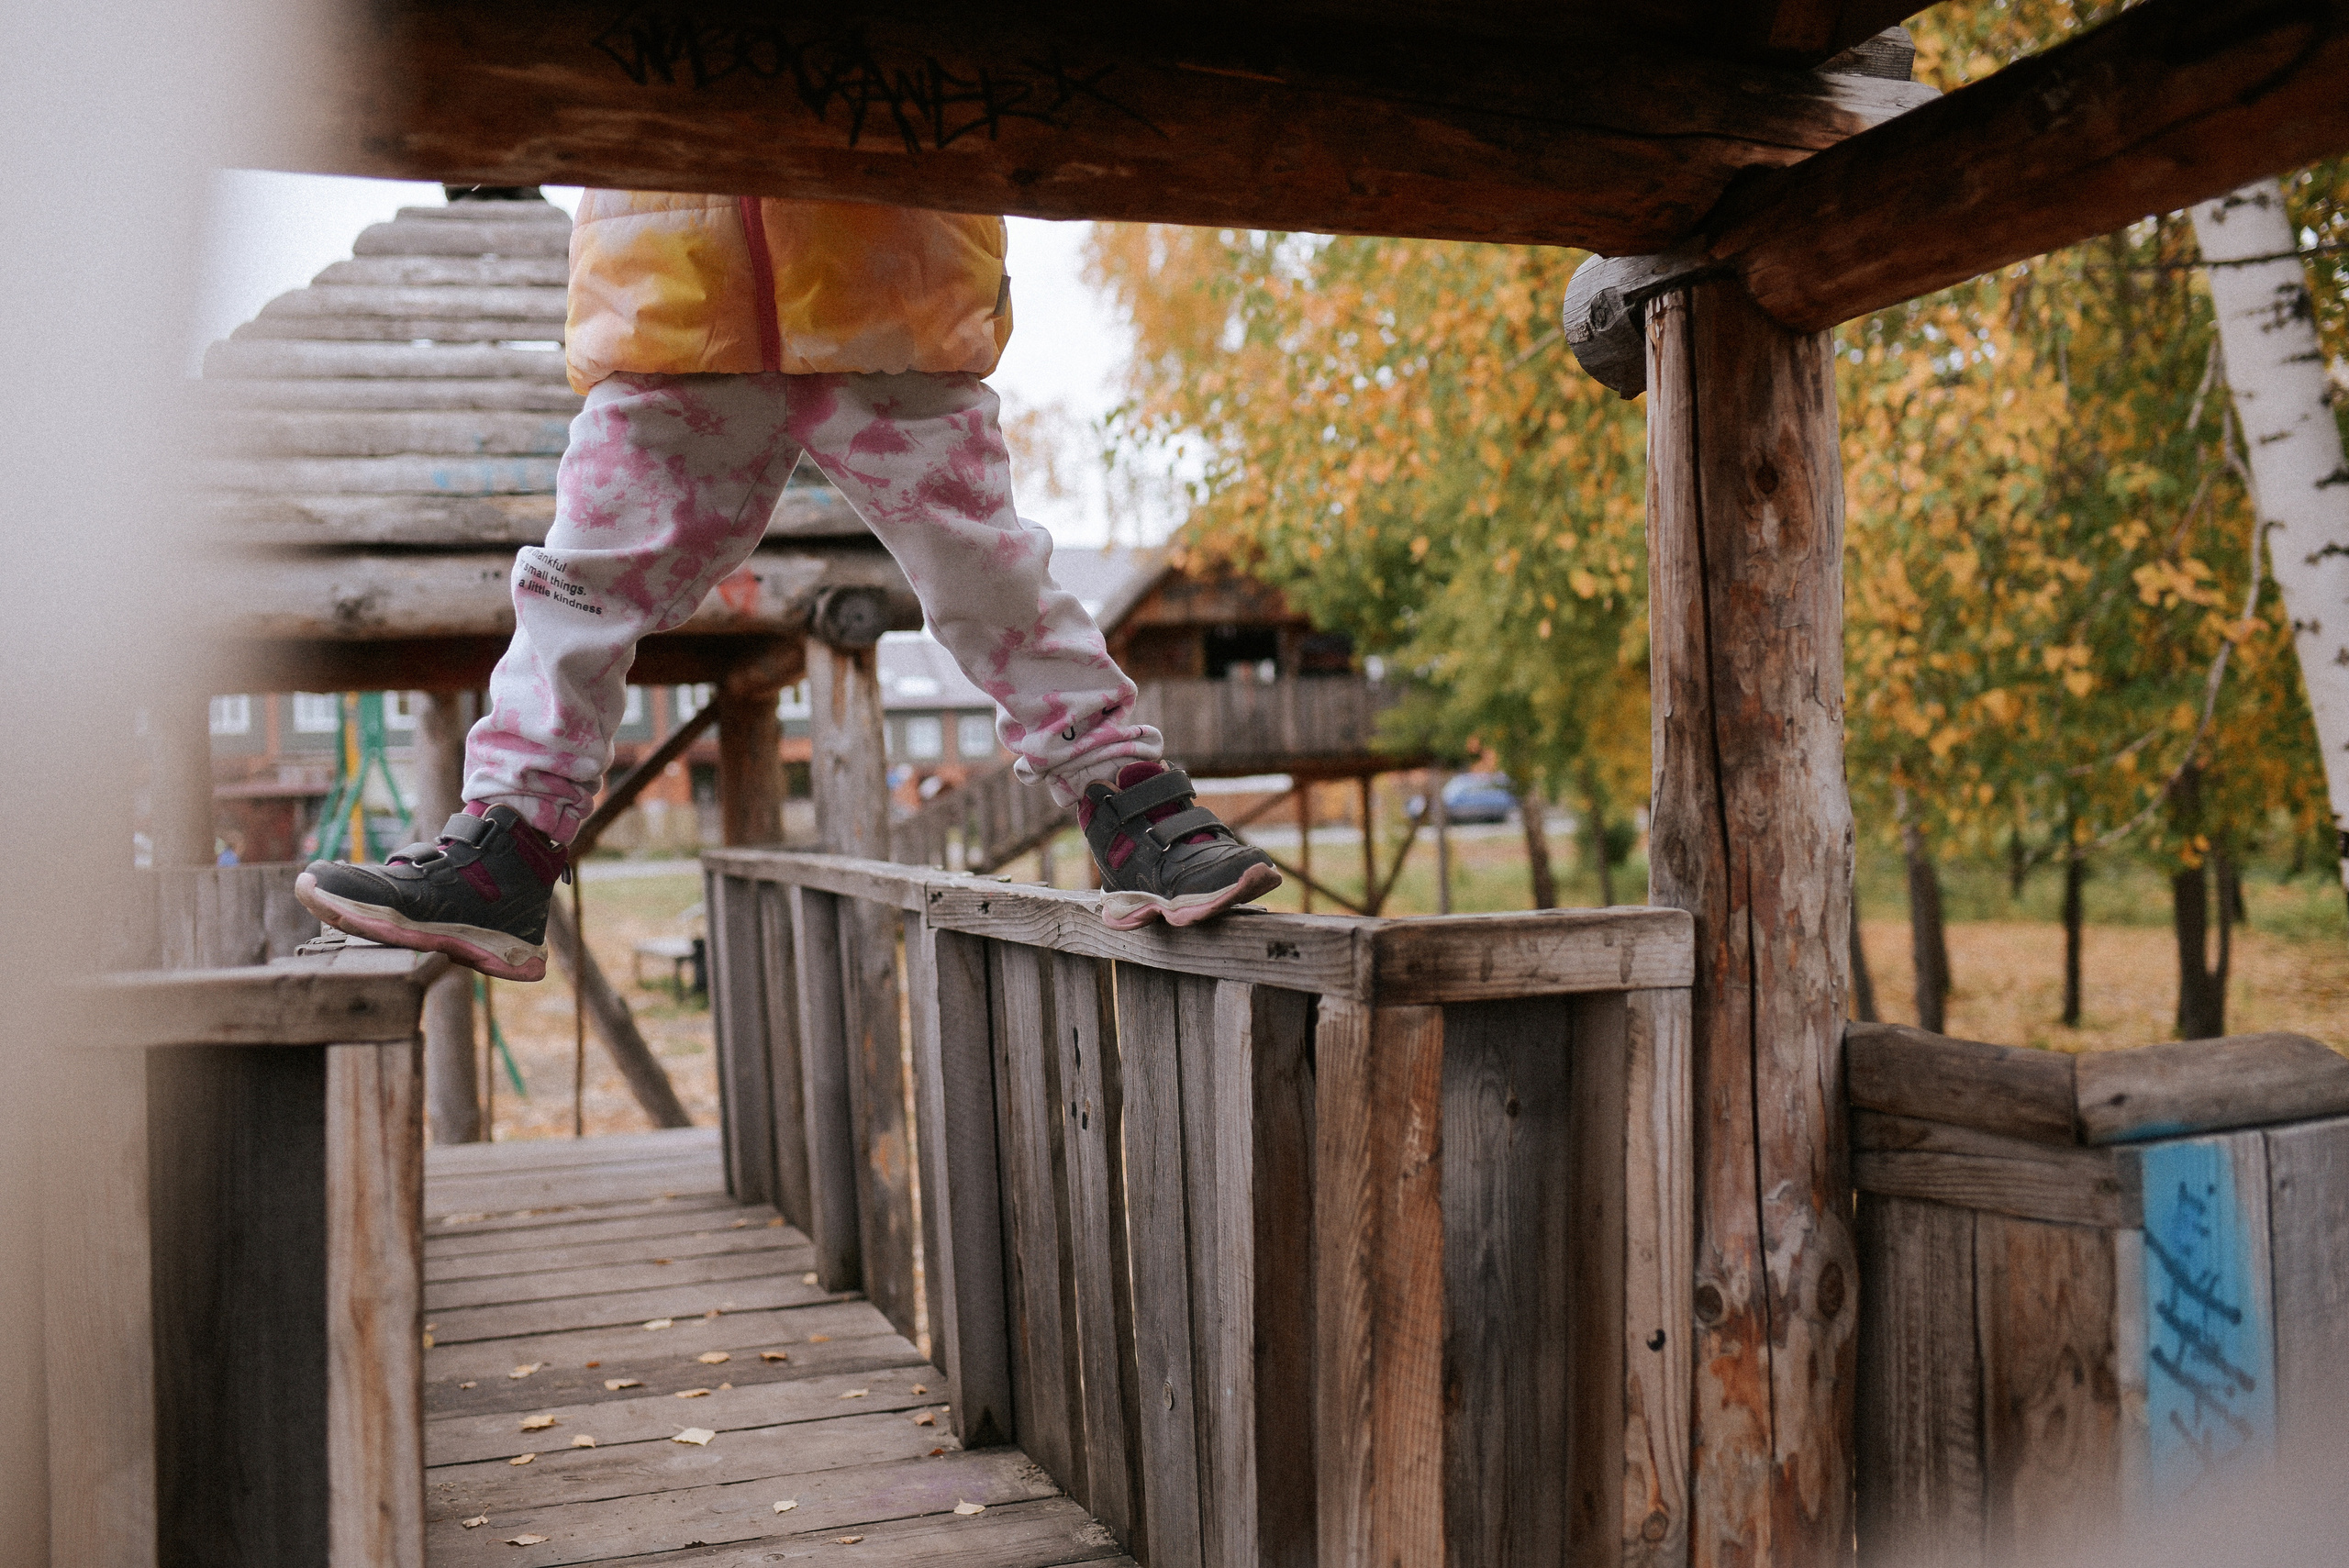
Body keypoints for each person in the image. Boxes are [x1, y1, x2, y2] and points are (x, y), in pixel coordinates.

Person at [296, 191, 1278, 980]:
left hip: (885, 264)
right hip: (673, 288)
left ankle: (1127, 798)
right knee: (576, 586)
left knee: (990, 569)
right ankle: (509, 840)